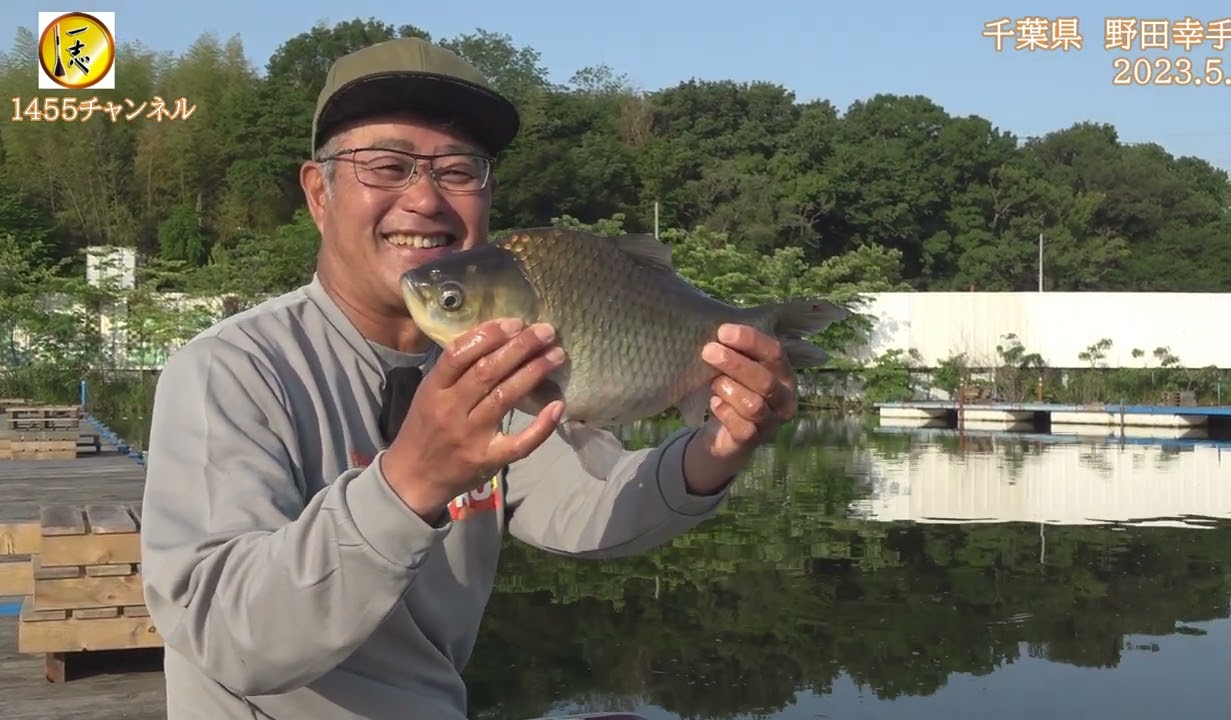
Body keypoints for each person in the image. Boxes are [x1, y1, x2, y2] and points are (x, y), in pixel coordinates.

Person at [139, 36, 799, 720]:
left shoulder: (498, 361)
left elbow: (585, 511)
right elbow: (232, 642)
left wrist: (715, 452)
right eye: (387, 165)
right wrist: (413, 482)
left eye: (458, 171)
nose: (424, 199)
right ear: (319, 193)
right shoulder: (231, 370)